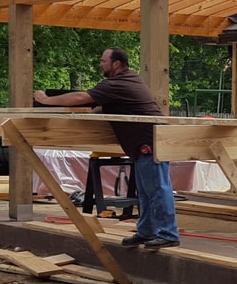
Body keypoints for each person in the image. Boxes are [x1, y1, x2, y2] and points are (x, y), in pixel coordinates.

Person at [34, 49, 179, 249]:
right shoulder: (129, 80)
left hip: (150, 144)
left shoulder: (117, 83)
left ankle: (168, 234)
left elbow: (81, 97)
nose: (100, 64)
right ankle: (147, 232)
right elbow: (109, 105)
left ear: (116, 64)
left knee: (157, 190)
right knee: (146, 192)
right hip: (146, 143)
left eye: (103, 61)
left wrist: (47, 100)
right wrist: (93, 113)